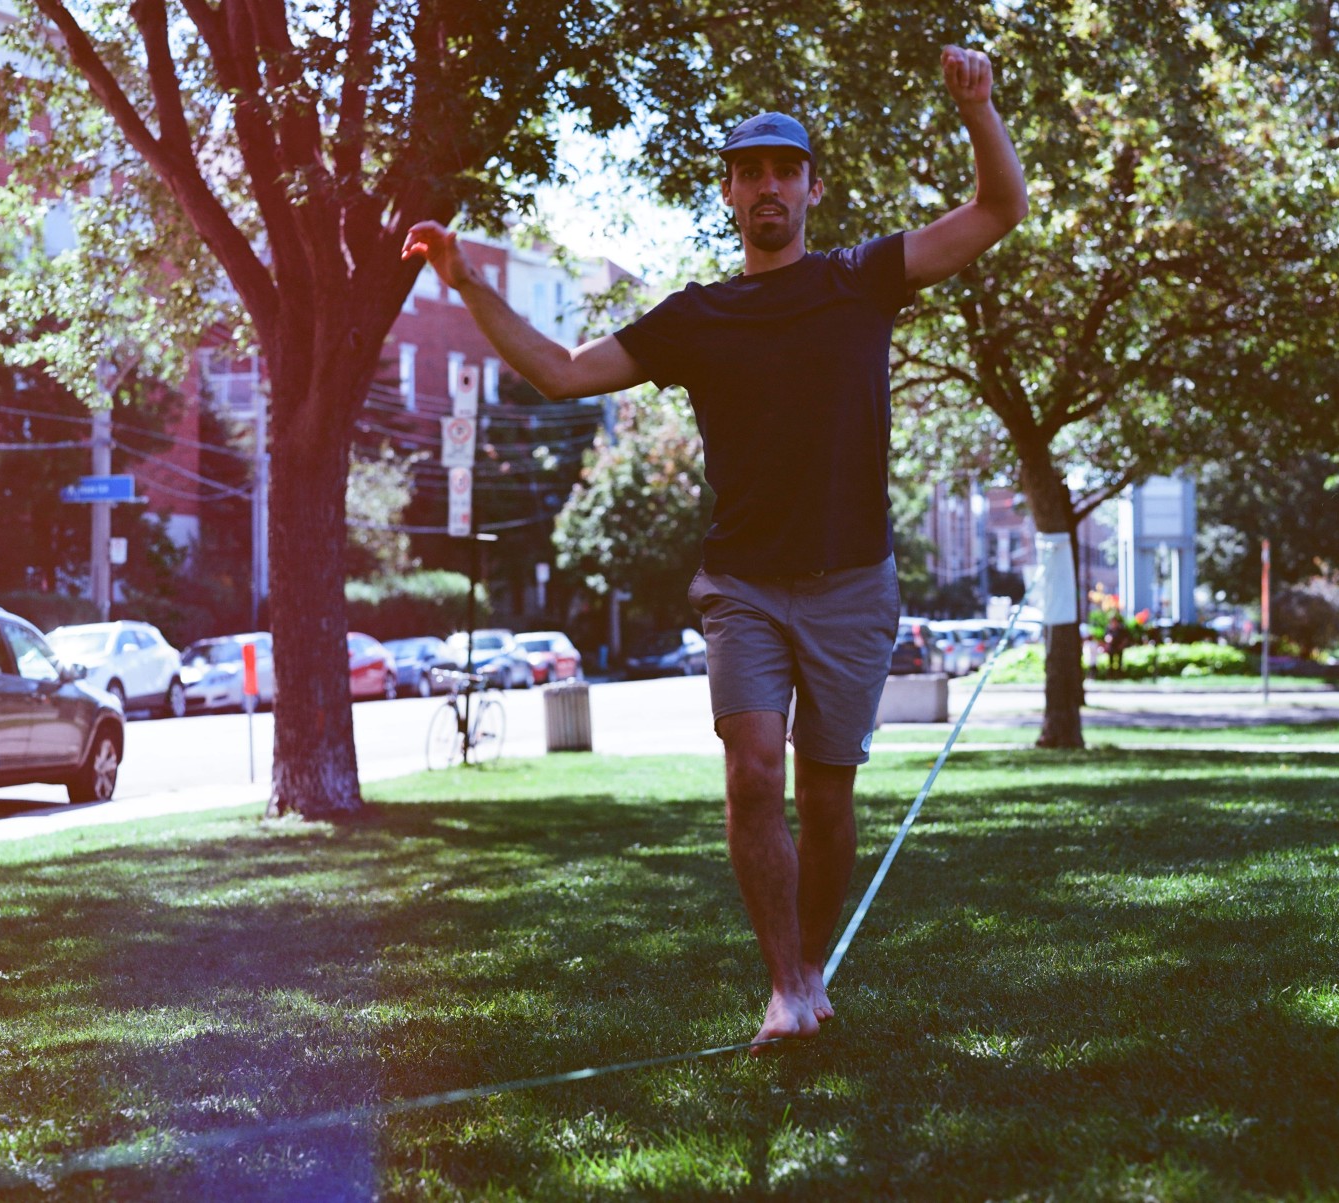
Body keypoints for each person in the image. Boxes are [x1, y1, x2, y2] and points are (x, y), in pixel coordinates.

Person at [402, 46, 1027, 1052]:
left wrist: (978, 109)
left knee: (826, 799)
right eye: (749, 173)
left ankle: (809, 972)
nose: (768, 186)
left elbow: (995, 211)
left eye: (786, 170)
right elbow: (561, 372)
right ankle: (783, 987)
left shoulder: (860, 279)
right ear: (730, 196)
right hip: (740, 586)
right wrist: (465, 282)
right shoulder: (696, 316)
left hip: (853, 584)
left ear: (811, 189)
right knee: (750, 771)